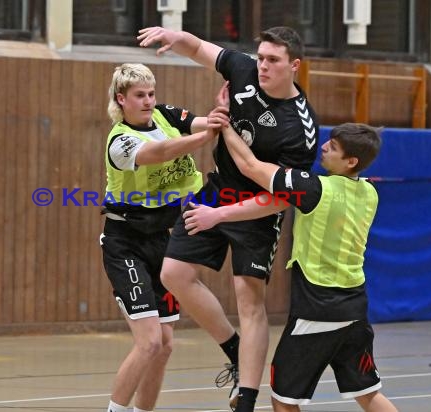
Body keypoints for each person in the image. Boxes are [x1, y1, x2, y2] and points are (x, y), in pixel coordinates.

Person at [138, 26, 319, 411]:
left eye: (273, 60)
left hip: (258, 206)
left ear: (295, 66)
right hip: (219, 187)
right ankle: (234, 349)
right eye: (261, 57)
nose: (263, 66)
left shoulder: (300, 129)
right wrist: (175, 36)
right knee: (173, 273)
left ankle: (248, 400)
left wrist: (219, 215)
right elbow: (201, 48)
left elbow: (279, 199)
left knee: (248, 298)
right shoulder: (243, 70)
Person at [185, 94, 397, 411]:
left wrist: (228, 126)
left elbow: (250, 166)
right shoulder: (369, 192)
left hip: (317, 310)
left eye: (333, 148)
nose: (323, 147)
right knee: (368, 395)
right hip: (354, 310)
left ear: (351, 161)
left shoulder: (314, 189)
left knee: (283, 401)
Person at [100, 63, 221, 412]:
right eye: (139, 95)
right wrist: (203, 138)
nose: (148, 101)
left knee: (165, 344)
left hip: (163, 240)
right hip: (125, 243)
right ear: (121, 99)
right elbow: (160, 154)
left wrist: (223, 114)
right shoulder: (119, 140)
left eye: (151, 93)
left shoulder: (165, 115)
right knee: (149, 342)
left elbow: (202, 122)